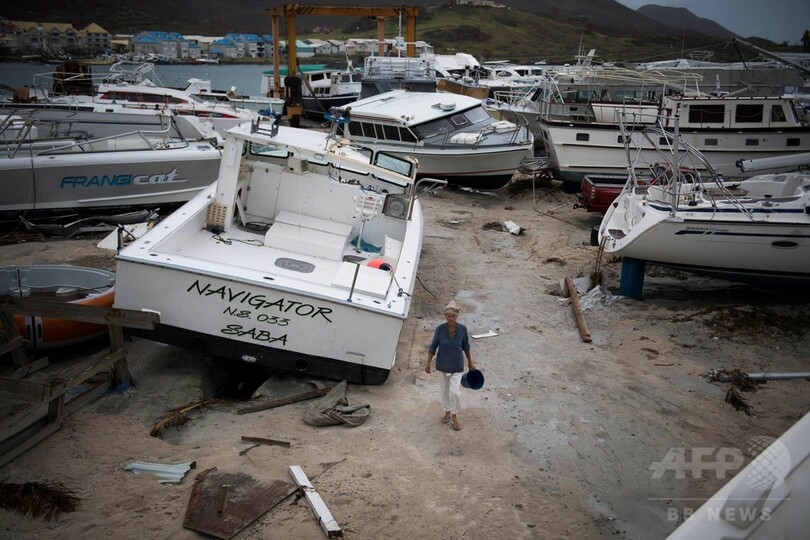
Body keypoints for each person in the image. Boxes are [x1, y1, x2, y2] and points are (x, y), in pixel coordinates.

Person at [425, 300, 474, 431]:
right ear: (445, 316)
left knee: (455, 392)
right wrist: (428, 362)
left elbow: (466, 346)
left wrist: (470, 362)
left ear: (457, 316)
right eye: (448, 316)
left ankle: (454, 415)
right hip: (442, 365)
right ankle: (447, 411)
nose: (450, 318)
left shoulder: (462, 329)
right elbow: (433, 346)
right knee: (444, 391)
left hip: (457, 366)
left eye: (453, 316)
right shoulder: (440, 329)